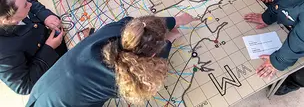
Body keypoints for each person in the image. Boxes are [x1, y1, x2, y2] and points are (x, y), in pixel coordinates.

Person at [26, 13, 196, 107]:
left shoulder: (119, 27)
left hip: (40, 93)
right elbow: (153, 64)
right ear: (151, 56)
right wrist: (169, 41)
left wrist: (175, 20)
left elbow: (145, 26)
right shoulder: (125, 77)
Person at [0, 0, 67, 95]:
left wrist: (46, 16)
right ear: (8, 20)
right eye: (25, 5)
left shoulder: (11, 6)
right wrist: (49, 48)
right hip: (54, 67)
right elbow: (25, 86)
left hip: (55, 38)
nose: (29, 5)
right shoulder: (3, 53)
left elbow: (33, 5)